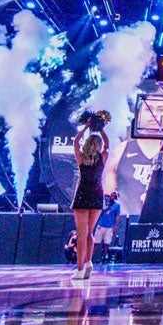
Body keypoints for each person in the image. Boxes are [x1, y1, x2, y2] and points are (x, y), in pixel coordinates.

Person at [70, 110, 110, 281]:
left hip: (82, 194)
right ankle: (89, 263)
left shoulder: (81, 158)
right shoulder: (102, 157)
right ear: (98, 146)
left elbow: (76, 141)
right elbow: (107, 144)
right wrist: (99, 127)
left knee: (81, 233)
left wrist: (88, 126)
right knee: (89, 232)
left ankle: (80, 270)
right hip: (96, 194)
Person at [93, 192, 121, 265]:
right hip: (101, 225)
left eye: (115, 196)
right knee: (96, 242)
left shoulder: (117, 205)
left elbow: (117, 216)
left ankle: (104, 256)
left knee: (107, 243)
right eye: (112, 194)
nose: (113, 196)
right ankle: (91, 257)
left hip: (109, 226)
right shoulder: (105, 203)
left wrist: (115, 226)